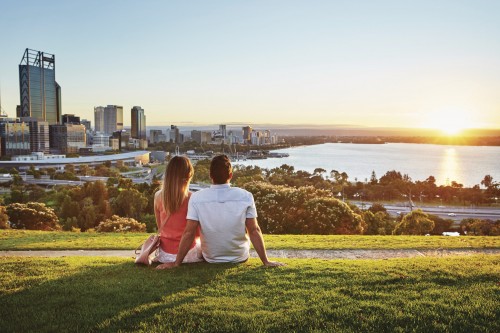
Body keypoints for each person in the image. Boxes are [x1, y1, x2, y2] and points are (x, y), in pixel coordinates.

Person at [157, 154, 284, 269]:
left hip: (210, 258)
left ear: (210, 176)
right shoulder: (246, 196)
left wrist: (176, 263)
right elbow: (254, 230)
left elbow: (189, 232)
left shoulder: (197, 198)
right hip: (239, 257)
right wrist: (266, 261)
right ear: (230, 175)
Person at [155, 156, 203, 267]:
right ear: (188, 175)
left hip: (164, 255)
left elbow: (160, 227)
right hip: (187, 255)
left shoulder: (157, 196)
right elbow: (196, 234)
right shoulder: (192, 198)